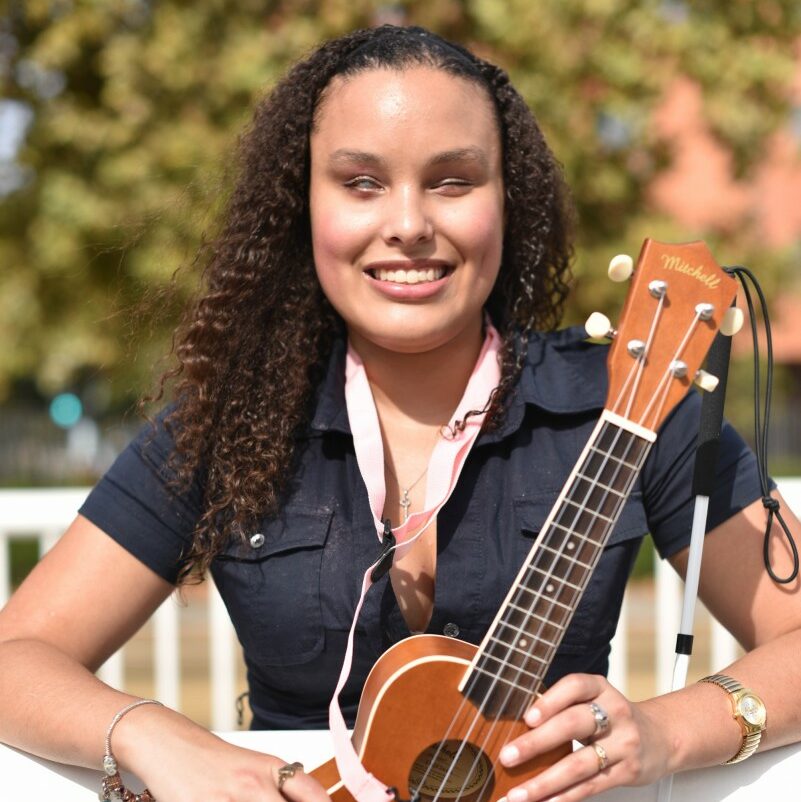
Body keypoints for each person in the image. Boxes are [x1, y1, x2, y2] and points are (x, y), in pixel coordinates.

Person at [1, 23, 800, 802]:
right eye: (361, 183)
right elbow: (17, 655)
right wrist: (153, 733)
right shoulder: (225, 423)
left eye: (453, 181)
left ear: (506, 200)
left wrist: (670, 730)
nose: (410, 225)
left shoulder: (628, 401)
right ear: (300, 205)